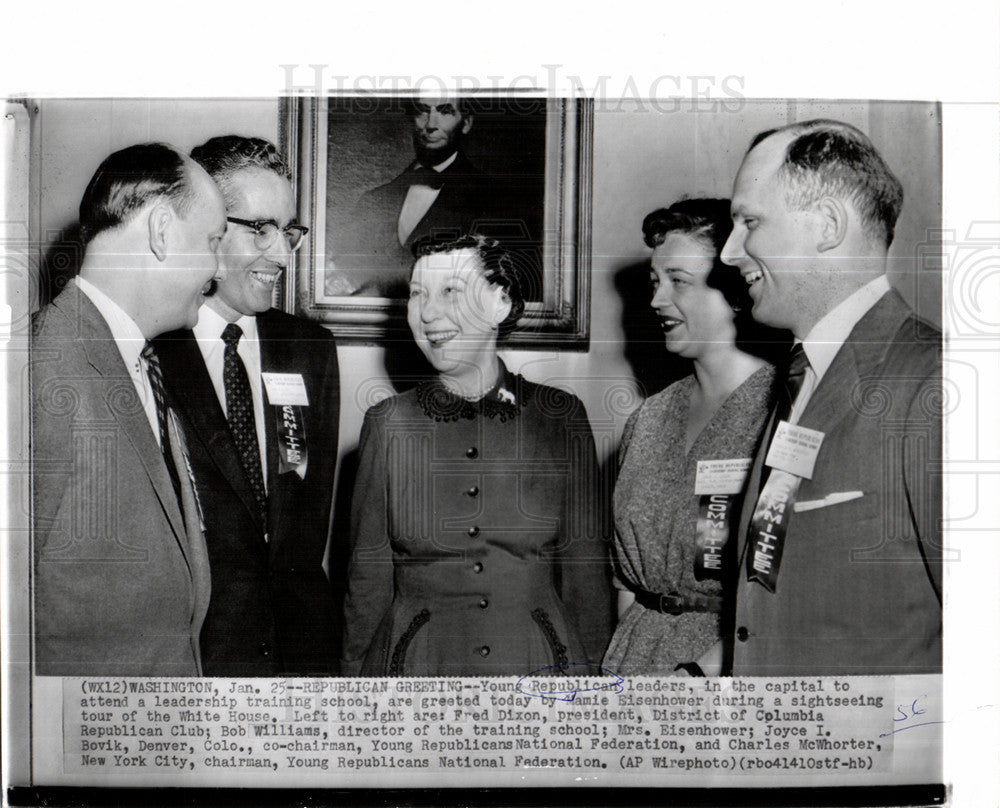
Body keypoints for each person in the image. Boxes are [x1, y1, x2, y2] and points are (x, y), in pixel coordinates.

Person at [721, 119, 942, 675]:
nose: (728, 252)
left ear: (826, 225)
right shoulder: (800, 376)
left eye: (749, 222)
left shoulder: (937, 382)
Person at [341, 234, 612, 676]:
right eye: (417, 294)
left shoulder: (561, 417)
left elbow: (586, 581)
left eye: (451, 291)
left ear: (500, 303)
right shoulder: (387, 423)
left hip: (537, 667)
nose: (428, 314)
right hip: (419, 670)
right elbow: (366, 584)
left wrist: (596, 689)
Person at [32, 143, 226, 675]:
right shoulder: (39, 368)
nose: (216, 271)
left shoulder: (142, 362)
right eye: (213, 242)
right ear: (162, 231)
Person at [155, 136, 341, 676]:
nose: (281, 254)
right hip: (198, 662)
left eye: (288, 232)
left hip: (302, 661)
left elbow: (307, 525)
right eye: (259, 229)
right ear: (208, 227)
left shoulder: (310, 350)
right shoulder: (153, 349)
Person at [603, 199, 782, 677]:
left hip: (725, 669)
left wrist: (695, 679)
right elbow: (626, 577)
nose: (657, 300)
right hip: (635, 662)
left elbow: (777, 587)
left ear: (735, 292)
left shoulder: (780, 414)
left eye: (678, 281)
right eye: (654, 283)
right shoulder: (649, 418)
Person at [328, 96, 539, 299]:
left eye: (445, 111)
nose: (430, 124)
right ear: (412, 118)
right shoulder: (373, 200)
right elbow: (340, 280)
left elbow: (512, 290)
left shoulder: (498, 202)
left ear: (466, 123)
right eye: (422, 111)